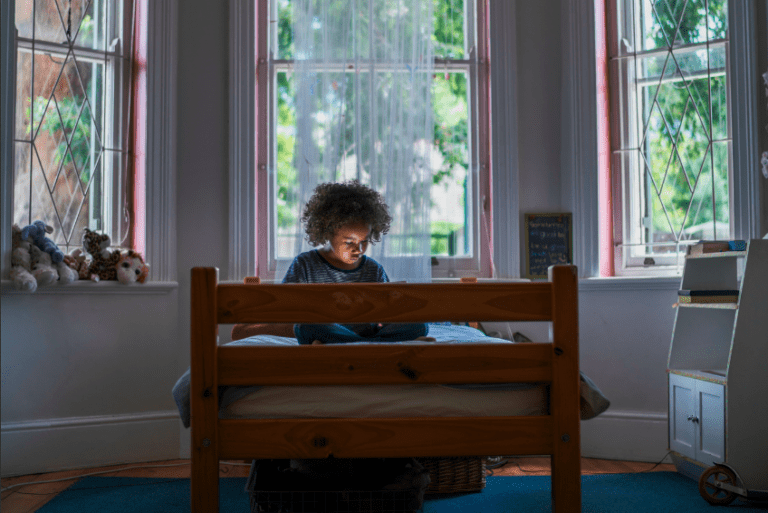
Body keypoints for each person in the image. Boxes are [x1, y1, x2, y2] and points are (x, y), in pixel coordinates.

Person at [283, 180, 431, 345]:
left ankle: (355, 343)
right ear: (327, 232)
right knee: (305, 327)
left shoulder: (374, 269)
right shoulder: (304, 264)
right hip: (329, 329)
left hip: (366, 332)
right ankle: (374, 344)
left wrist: (393, 306)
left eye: (364, 241)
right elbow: (287, 309)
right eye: (349, 242)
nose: (359, 249)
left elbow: (385, 315)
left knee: (419, 325)